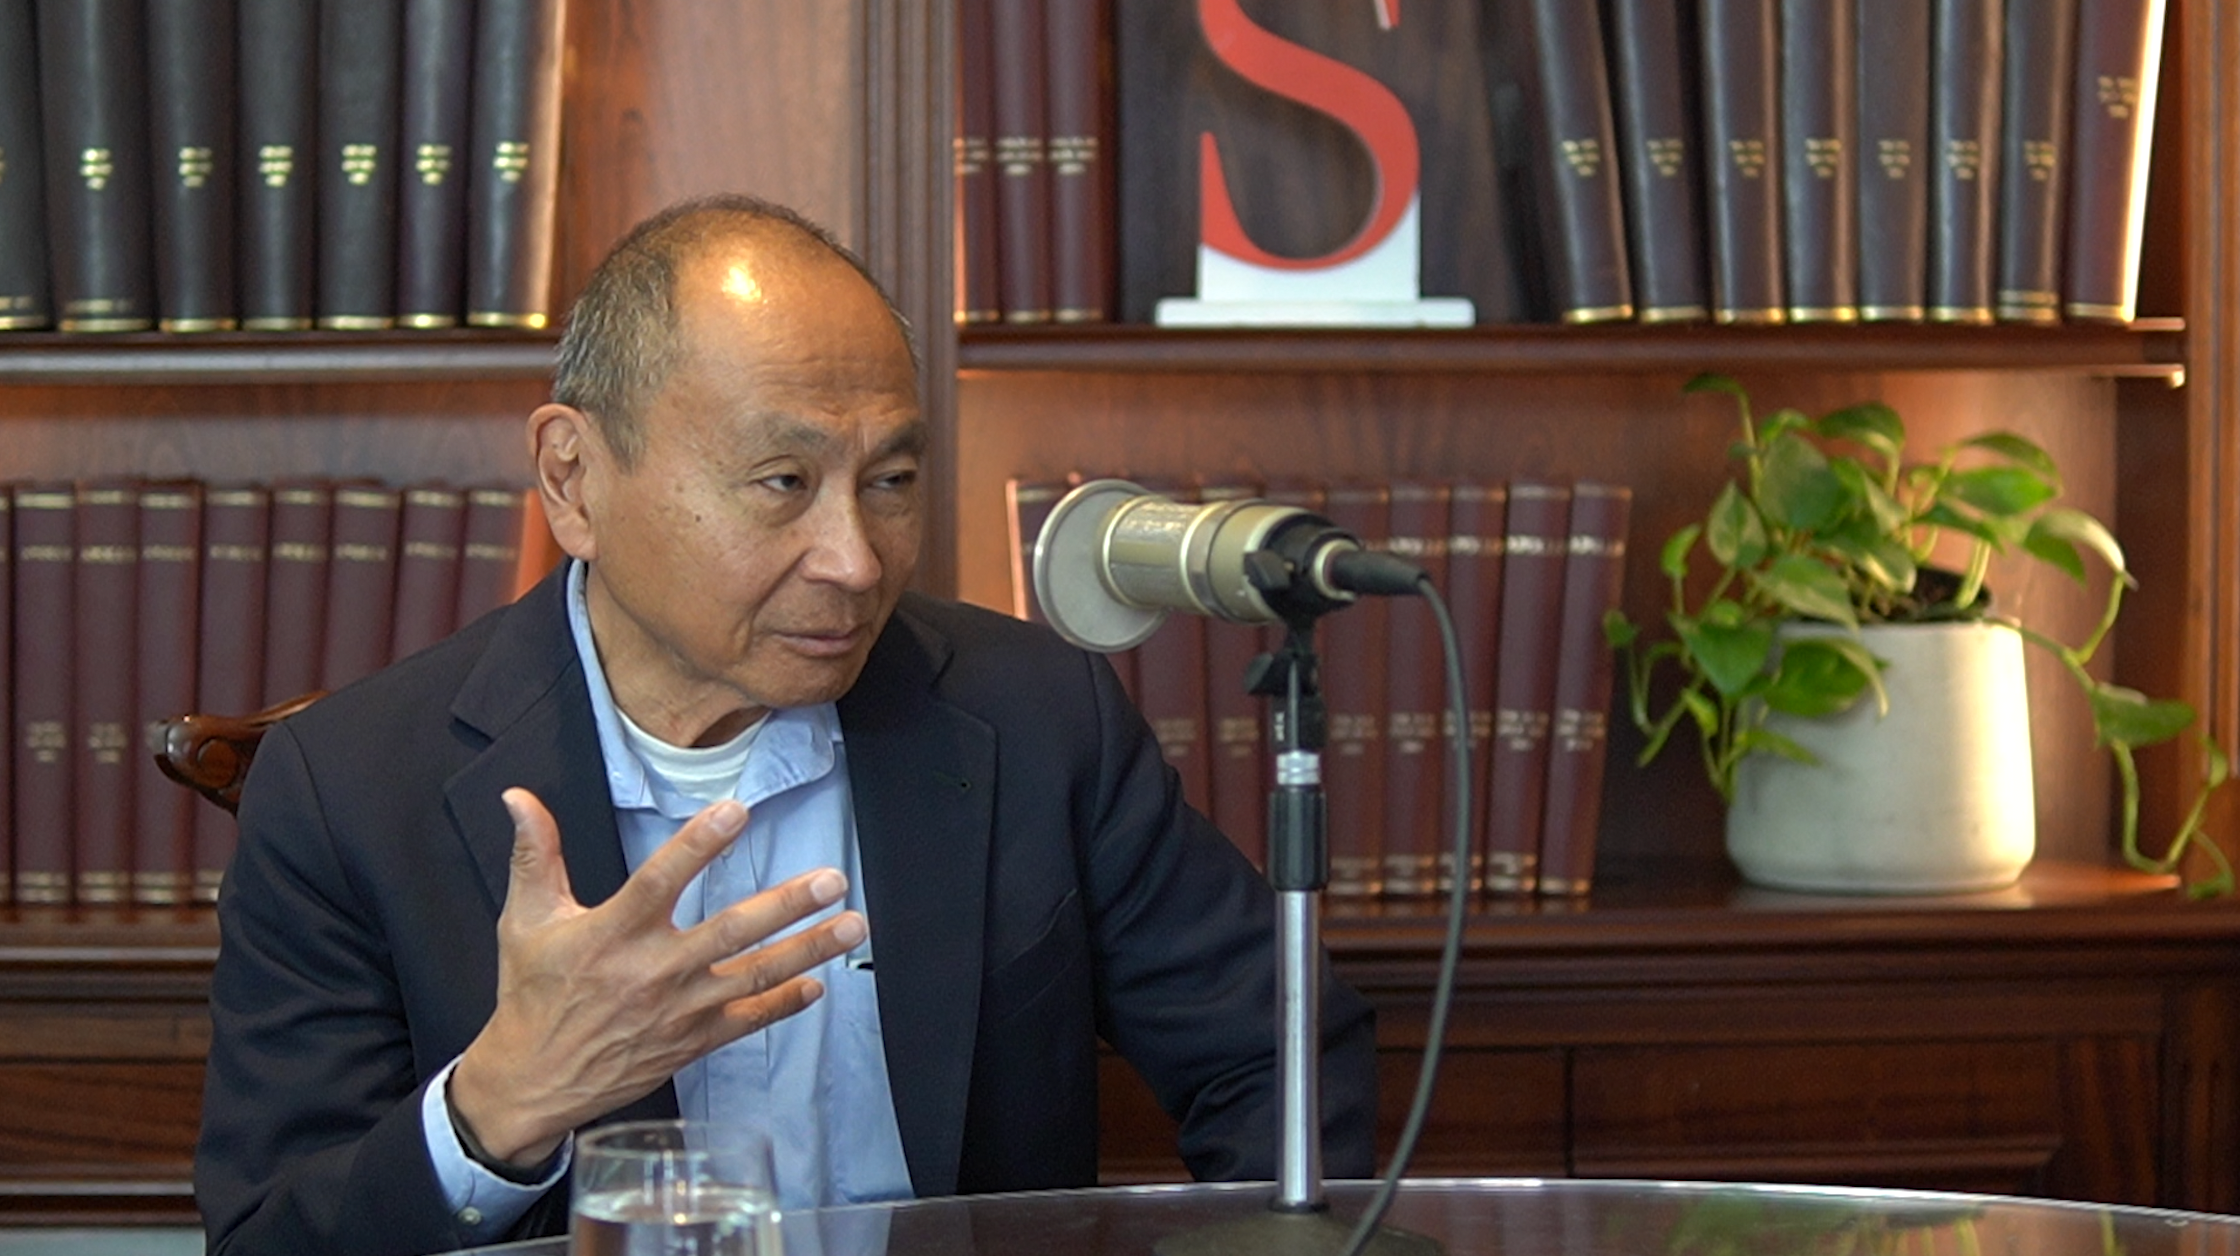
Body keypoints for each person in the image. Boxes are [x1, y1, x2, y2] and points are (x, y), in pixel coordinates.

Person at [194, 194, 1378, 1256]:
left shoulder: (1034, 715)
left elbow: (1276, 1056)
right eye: (782, 482)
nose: (855, 560)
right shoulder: (349, 789)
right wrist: (499, 1104)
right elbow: (269, 1235)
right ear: (572, 478)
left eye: (890, 481)